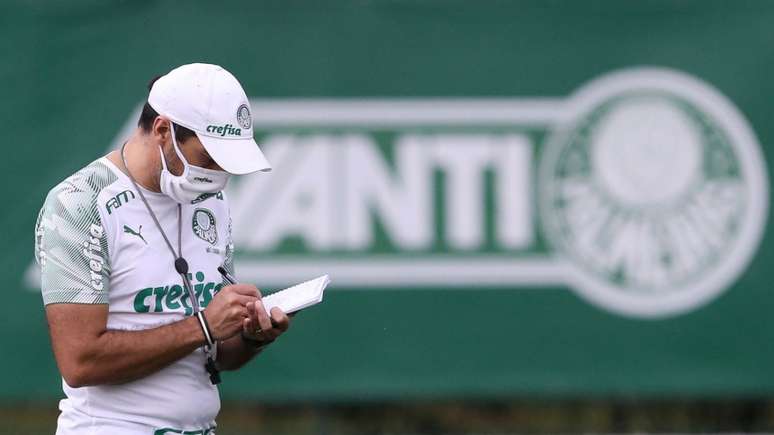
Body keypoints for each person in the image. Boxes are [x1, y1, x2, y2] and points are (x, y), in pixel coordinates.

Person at [33, 63, 290, 434]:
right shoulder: (79, 203)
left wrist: (250, 335)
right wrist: (204, 325)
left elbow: (215, 352)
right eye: (209, 157)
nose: (219, 173)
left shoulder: (210, 201)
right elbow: (80, 362)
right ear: (163, 130)